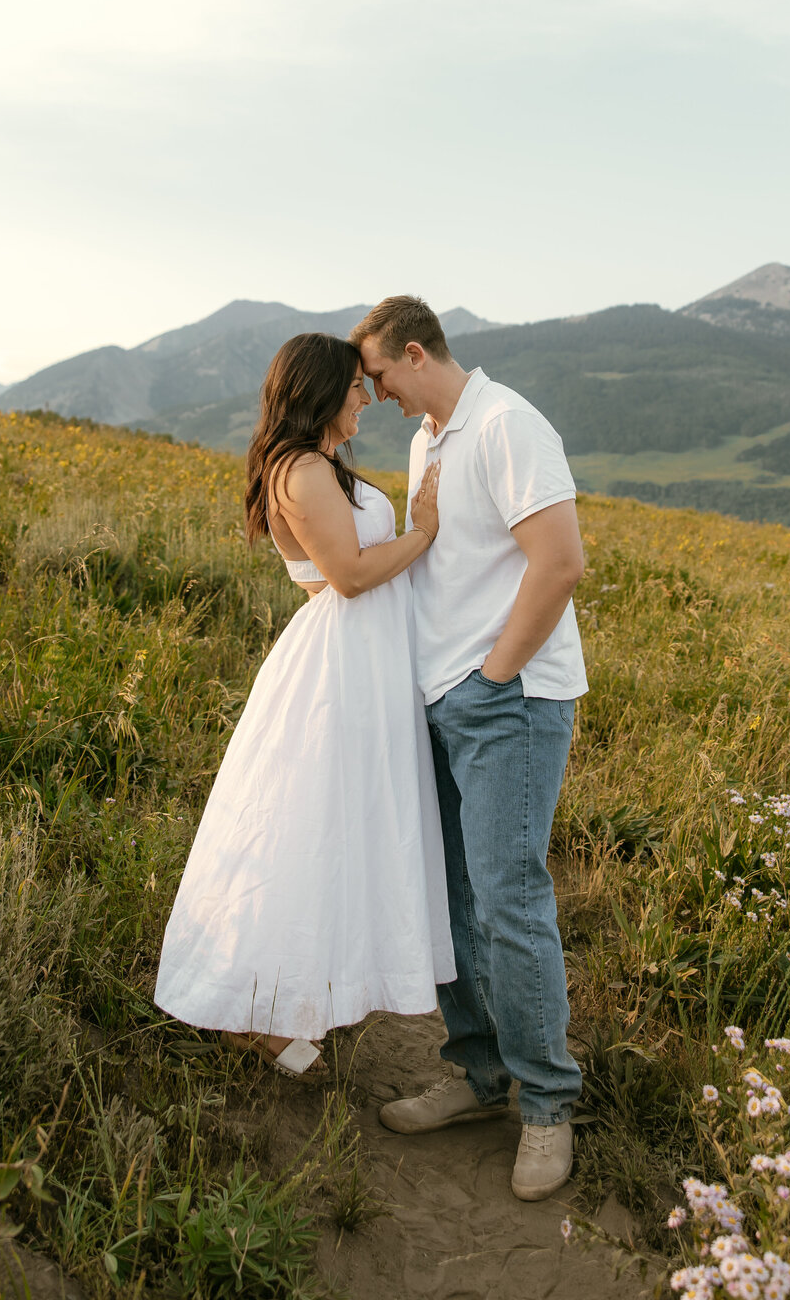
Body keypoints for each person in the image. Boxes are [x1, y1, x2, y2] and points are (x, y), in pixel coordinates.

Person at [154, 332, 454, 1075]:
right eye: (355, 386)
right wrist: (423, 531)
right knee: (306, 829)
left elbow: (329, 579)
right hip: (339, 667)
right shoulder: (301, 469)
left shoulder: (314, 466)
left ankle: (304, 993)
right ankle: (259, 1006)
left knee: (336, 829)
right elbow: (347, 576)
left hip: (358, 657)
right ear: (322, 391)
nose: (366, 397)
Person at [351, 297, 587, 1201]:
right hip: (444, 699)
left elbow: (558, 563)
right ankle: (483, 1076)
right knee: (451, 898)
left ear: (415, 352)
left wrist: (490, 678)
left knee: (509, 902)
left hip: (509, 702)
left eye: (379, 377)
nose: (376, 396)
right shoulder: (429, 442)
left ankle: (548, 1105)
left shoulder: (507, 425)